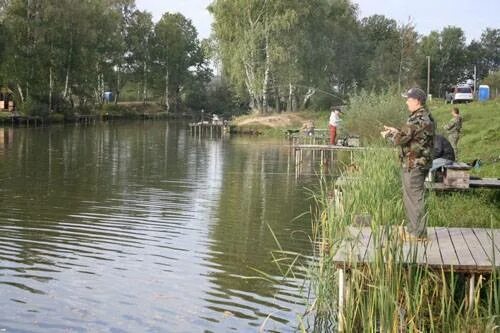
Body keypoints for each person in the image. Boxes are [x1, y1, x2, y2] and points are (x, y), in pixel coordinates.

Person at [381, 87, 435, 241]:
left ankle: (418, 234)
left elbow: (400, 139)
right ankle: (414, 230)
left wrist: (389, 135)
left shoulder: (417, 118)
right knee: (411, 197)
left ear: (417, 101)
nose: (406, 102)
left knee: (414, 198)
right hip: (418, 162)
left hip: (414, 163)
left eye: (408, 99)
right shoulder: (425, 116)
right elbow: (411, 135)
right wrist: (395, 130)